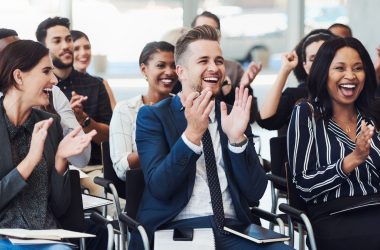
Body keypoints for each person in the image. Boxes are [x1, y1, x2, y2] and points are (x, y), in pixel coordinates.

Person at [129, 25, 291, 250]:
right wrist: (192, 135)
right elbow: (160, 187)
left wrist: (237, 140)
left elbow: (255, 192)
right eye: (203, 61)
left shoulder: (233, 114)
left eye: (219, 61)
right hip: (176, 230)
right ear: (181, 71)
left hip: (233, 227)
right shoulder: (153, 116)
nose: (214, 68)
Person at [0, 40, 95, 249]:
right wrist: (31, 160)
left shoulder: (50, 124)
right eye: (46, 71)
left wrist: (61, 160)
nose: (54, 80)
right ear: (18, 77)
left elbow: (59, 209)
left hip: (47, 237)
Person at [287, 37, 380, 250]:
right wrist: (352, 160)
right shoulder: (306, 113)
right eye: (340, 68)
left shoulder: (371, 115)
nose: (351, 75)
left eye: (358, 68)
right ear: (323, 73)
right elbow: (304, 184)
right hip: (335, 216)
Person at [36, 17, 112, 195]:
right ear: (42, 47)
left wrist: (83, 118)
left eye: (69, 39)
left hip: (91, 169)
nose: (66, 46)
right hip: (50, 171)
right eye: (57, 41)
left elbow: (108, 138)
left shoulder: (94, 85)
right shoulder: (39, 89)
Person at [0, 28, 91, 167]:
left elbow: (81, 160)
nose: (54, 80)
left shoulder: (51, 94)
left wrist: (55, 121)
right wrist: (31, 160)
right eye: (5, 55)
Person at [109, 41, 177, 180]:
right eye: (161, 65)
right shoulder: (126, 110)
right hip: (142, 188)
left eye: (174, 66)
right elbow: (121, 169)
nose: (169, 72)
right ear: (144, 69)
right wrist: (154, 145)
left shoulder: (185, 106)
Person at [257, 31, 335, 135]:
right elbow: (265, 119)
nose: (319, 63)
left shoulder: (350, 90)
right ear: (305, 66)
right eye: (313, 59)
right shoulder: (296, 95)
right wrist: (285, 70)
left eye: (325, 57)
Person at [191, 10, 262, 123]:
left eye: (212, 31)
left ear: (219, 36)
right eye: (201, 30)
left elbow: (251, 117)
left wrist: (242, 87)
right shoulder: (184, 67)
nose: (207, 35)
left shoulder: (233, 69)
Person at [71, 30, 117, 110]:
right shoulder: (58, 85)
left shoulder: (102, 83)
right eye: (76, 49)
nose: (83, 52)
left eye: (87, 47)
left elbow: (116, 118)